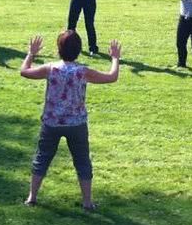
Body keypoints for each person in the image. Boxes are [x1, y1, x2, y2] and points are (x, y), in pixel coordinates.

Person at [20, 30, 121, 210]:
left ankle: (31, 197)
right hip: (77, 124)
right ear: (78, 50)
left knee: (42, 158)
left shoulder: (51, 68)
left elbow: (24, 71)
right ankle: (87, 202)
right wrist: (115, 58)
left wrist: (31, 53)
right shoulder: (83, 72)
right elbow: (112, 77)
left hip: (52, 123)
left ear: (58, 49)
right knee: (82, 162)